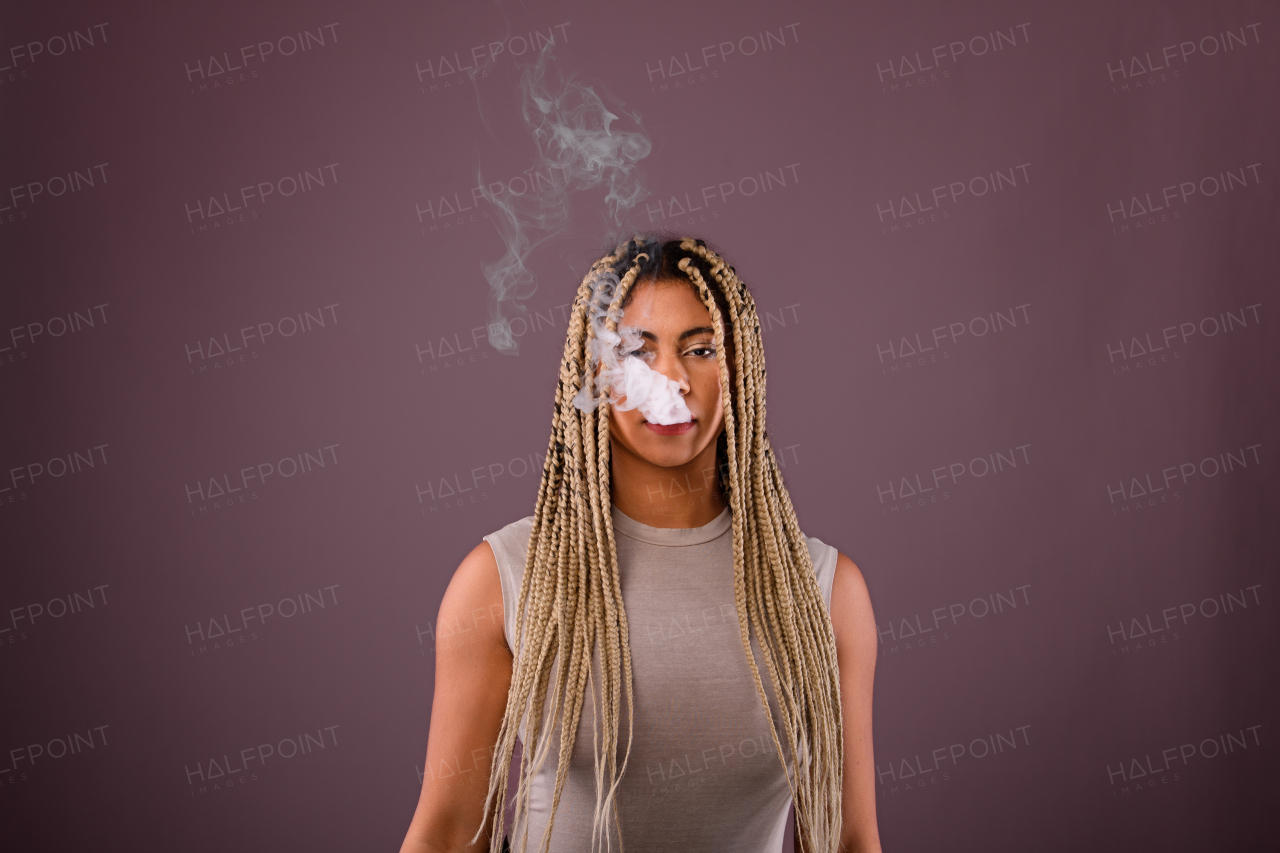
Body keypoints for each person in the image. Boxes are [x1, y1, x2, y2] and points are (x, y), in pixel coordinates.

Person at [400, 237, 881, 853]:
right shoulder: (508, 577)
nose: (672, 379)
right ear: (593, 373)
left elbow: (850, 840)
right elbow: (445, 836)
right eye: (635, 351)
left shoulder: (823, 591)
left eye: (701, 349)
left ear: (742, 370)